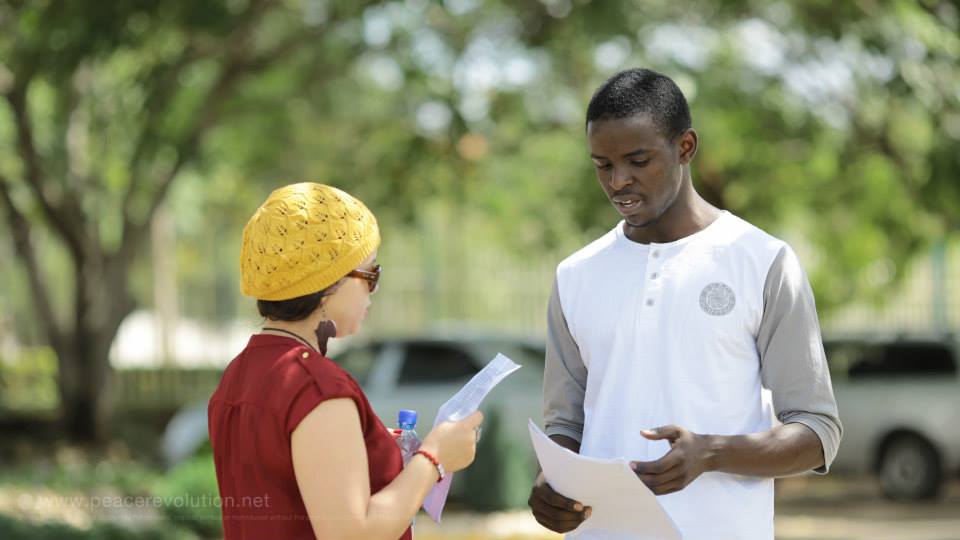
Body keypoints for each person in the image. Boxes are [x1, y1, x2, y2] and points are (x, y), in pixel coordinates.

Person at [527, 69, 842, 539]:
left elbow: (818, 433)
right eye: (603, 165)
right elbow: (565, 423)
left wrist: (713, 452)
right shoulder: (576, 275)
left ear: (685, 147)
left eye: (638, 160)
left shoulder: (762, 261)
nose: (618, 182)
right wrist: (550, 484)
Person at [209, 183, 483, 540]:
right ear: (327, 283)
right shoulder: (316, 386)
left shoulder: (242, 372)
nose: (374, 290)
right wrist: (434, 457)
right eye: (370, 275)